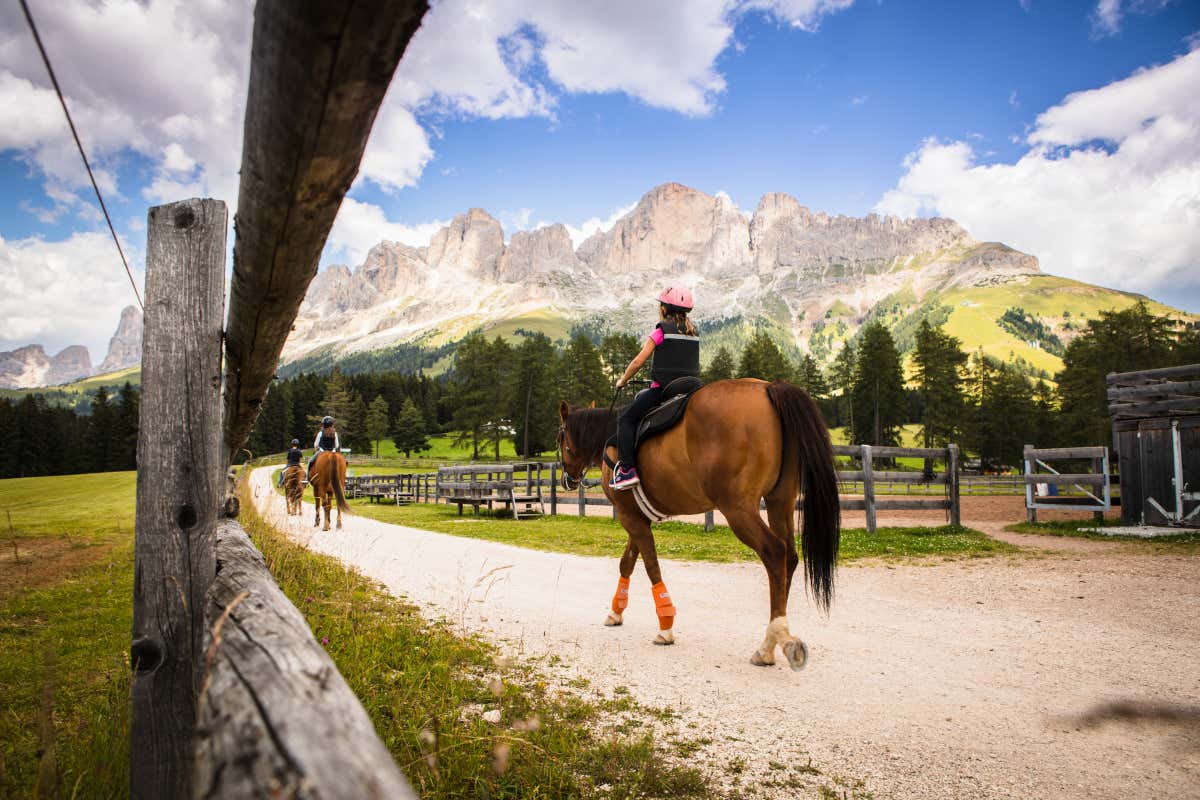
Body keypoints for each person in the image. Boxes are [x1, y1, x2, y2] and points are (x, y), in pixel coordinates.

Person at [611, 287, 700, 490]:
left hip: (665, 390)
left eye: (661, 304)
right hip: (692, 388)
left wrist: (622, 380)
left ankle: (627, 470)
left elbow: (637, 362)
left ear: (665, 308)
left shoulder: (661, 330)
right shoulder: (694, 331)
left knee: (625, 418)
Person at [306, 416, 340, 484]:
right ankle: (342, 478)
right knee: (342, 463)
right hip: (332, 452)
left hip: (321, 452)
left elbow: (315, 444)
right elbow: (337, 445)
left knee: (310, 462)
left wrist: (317, 448)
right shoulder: (335, 433)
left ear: (324, 424)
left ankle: (306, 479)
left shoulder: (320, 433)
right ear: (331, 424)